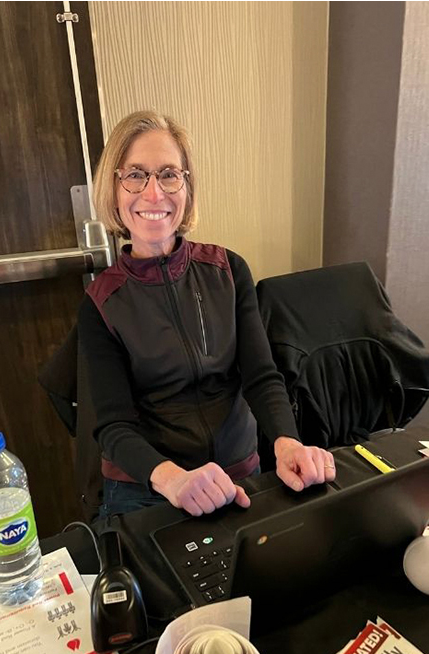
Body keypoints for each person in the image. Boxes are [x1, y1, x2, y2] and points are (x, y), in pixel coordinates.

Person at [78, 110, 334, 519]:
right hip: (149, 488)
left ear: (186, 184)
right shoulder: (101, 302)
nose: (154, 193)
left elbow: (262, 376)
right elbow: (113, 428)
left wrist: (287, 441)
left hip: (237, 473)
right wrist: (173, 478)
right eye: (135, 175)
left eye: (168, 174)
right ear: (114, 187)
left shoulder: (228, 270)